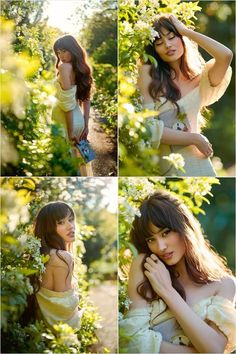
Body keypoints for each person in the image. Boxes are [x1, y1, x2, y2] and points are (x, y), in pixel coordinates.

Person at [119, 190, 236, 353]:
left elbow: (215, 349)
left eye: (165, 233)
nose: (160, 247)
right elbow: (130, 340)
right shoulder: (146, 267)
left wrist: (167, 291)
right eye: (151, 239)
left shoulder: (224, 284)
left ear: (183, 227)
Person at [138, 15, 233, 176]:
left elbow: (225, 55)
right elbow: (149, 128)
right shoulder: (149, 74)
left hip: (199, 164)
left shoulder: (202, 79)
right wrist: (194, 139)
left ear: (182, 39)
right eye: (159, 43)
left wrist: (185, 31)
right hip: (163, 167)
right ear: (154, 50)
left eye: (172, 37)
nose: (167, 45)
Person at [33, 201, 83, 330]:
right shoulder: (62, 257)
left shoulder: (42, 255)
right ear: (48, 228)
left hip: (40, 328)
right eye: (61, 222)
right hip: (59, 333)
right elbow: (65, 307)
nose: (70, 226)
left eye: (71, 220)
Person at [52, 35, 93, 176]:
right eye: (58, 52)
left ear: (73, 50)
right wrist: (86, 125)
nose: (60, 55)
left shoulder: (64, 68)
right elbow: (86, 99)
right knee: (80, 161)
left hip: (65, 120)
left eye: (64, 51)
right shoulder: (82, 68)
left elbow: (68, 104)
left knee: (66, 164)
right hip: (78, 120)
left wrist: (70, 131)